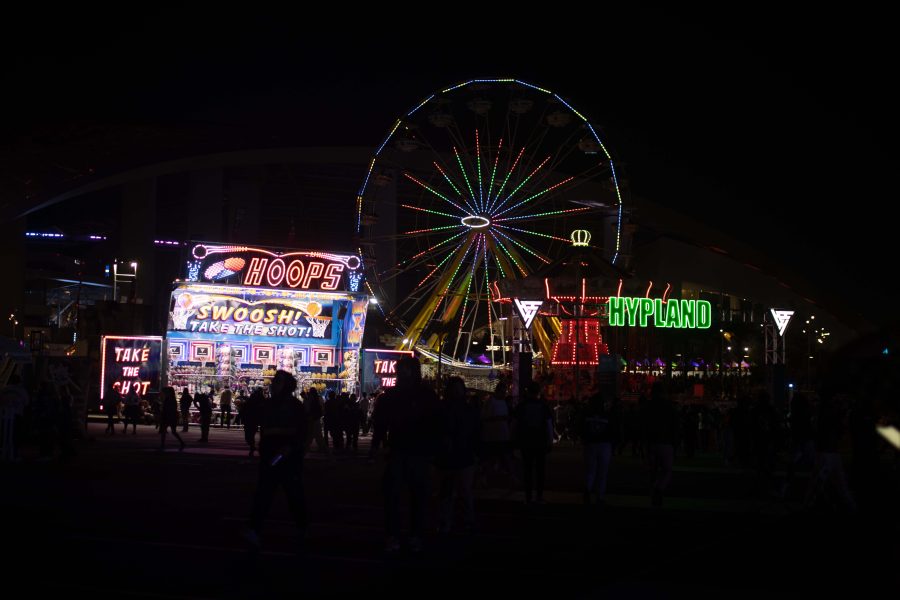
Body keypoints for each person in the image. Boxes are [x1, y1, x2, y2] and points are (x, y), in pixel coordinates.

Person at [368, 356, 440, 553]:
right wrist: (375, 446)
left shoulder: (422, 395)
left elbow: (436, 424)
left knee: (413, 497)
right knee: (397, 496)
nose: (401, 372)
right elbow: (381, 424)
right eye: (401, 369)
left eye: (405, 369)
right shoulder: (398, 395)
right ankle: (398, 535)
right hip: (401, 450)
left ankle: (411, 534)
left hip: (415, 451)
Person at [244, 370, 307, 553]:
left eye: (277, 382)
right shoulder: (269, 404)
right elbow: (254, 418)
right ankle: (254, 529)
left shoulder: (294, 406)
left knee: (293, 494)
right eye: (274, 381)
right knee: (264, 493)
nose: (273, 385)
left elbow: (302, 431)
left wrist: (291, 448)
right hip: (270, 456)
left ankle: (302, 528)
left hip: (288, 458)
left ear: (286, 386)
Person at [435, 377, 481, 533]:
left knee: (462, 490)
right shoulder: (448, 408)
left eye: (458, 389)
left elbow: (476, 432)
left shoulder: (462, 409)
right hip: (452, 455)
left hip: (461, 454)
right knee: (449, 491)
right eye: (454, 389)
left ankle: (461, 520)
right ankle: (450, 520)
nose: (456, 391)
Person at [512, 381, 554, 505]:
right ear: (538, 392)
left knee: (527, 470)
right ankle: (539, 496)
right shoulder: (544, 406)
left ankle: (528, 497)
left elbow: (514, 424)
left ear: (528, 392)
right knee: (540, 470)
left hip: (526, 441)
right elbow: (549, 425)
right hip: (540, 441)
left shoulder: (521, 406)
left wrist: (512, 439)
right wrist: (550, 441)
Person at [577, 392, 615, 506]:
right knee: (602, 472)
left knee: (590, 471)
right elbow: (612, 430)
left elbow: (581, 429)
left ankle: (588, 490)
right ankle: (600, 496)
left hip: (590, 445)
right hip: (604, 444)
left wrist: (584, 439)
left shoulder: (586, 415)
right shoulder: (607, 415)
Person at [159, 387, 185, 451]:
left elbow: (167, 408)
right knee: (172, 431)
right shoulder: (172, 399)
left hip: (169, 416)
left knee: (165, 431)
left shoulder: (168, 399)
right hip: (171, 416)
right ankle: (181, 442)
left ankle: (162, 444)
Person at [303, 387, 327, 454]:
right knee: (317, 434)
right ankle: (321, 448)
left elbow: (306, 408)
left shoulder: (309, 398)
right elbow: (322, 408)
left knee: (310, 434)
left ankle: (307, 448)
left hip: (311, 418)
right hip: (316, 418)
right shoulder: (319, 398)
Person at [243, 387, 264, 457]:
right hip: (255, 418)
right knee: (252, 433)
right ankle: (253, 446)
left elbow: (245, 407)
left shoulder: (253, 398)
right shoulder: (261, 398)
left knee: (249, 434)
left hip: (251, 418)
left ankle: (252, 446)